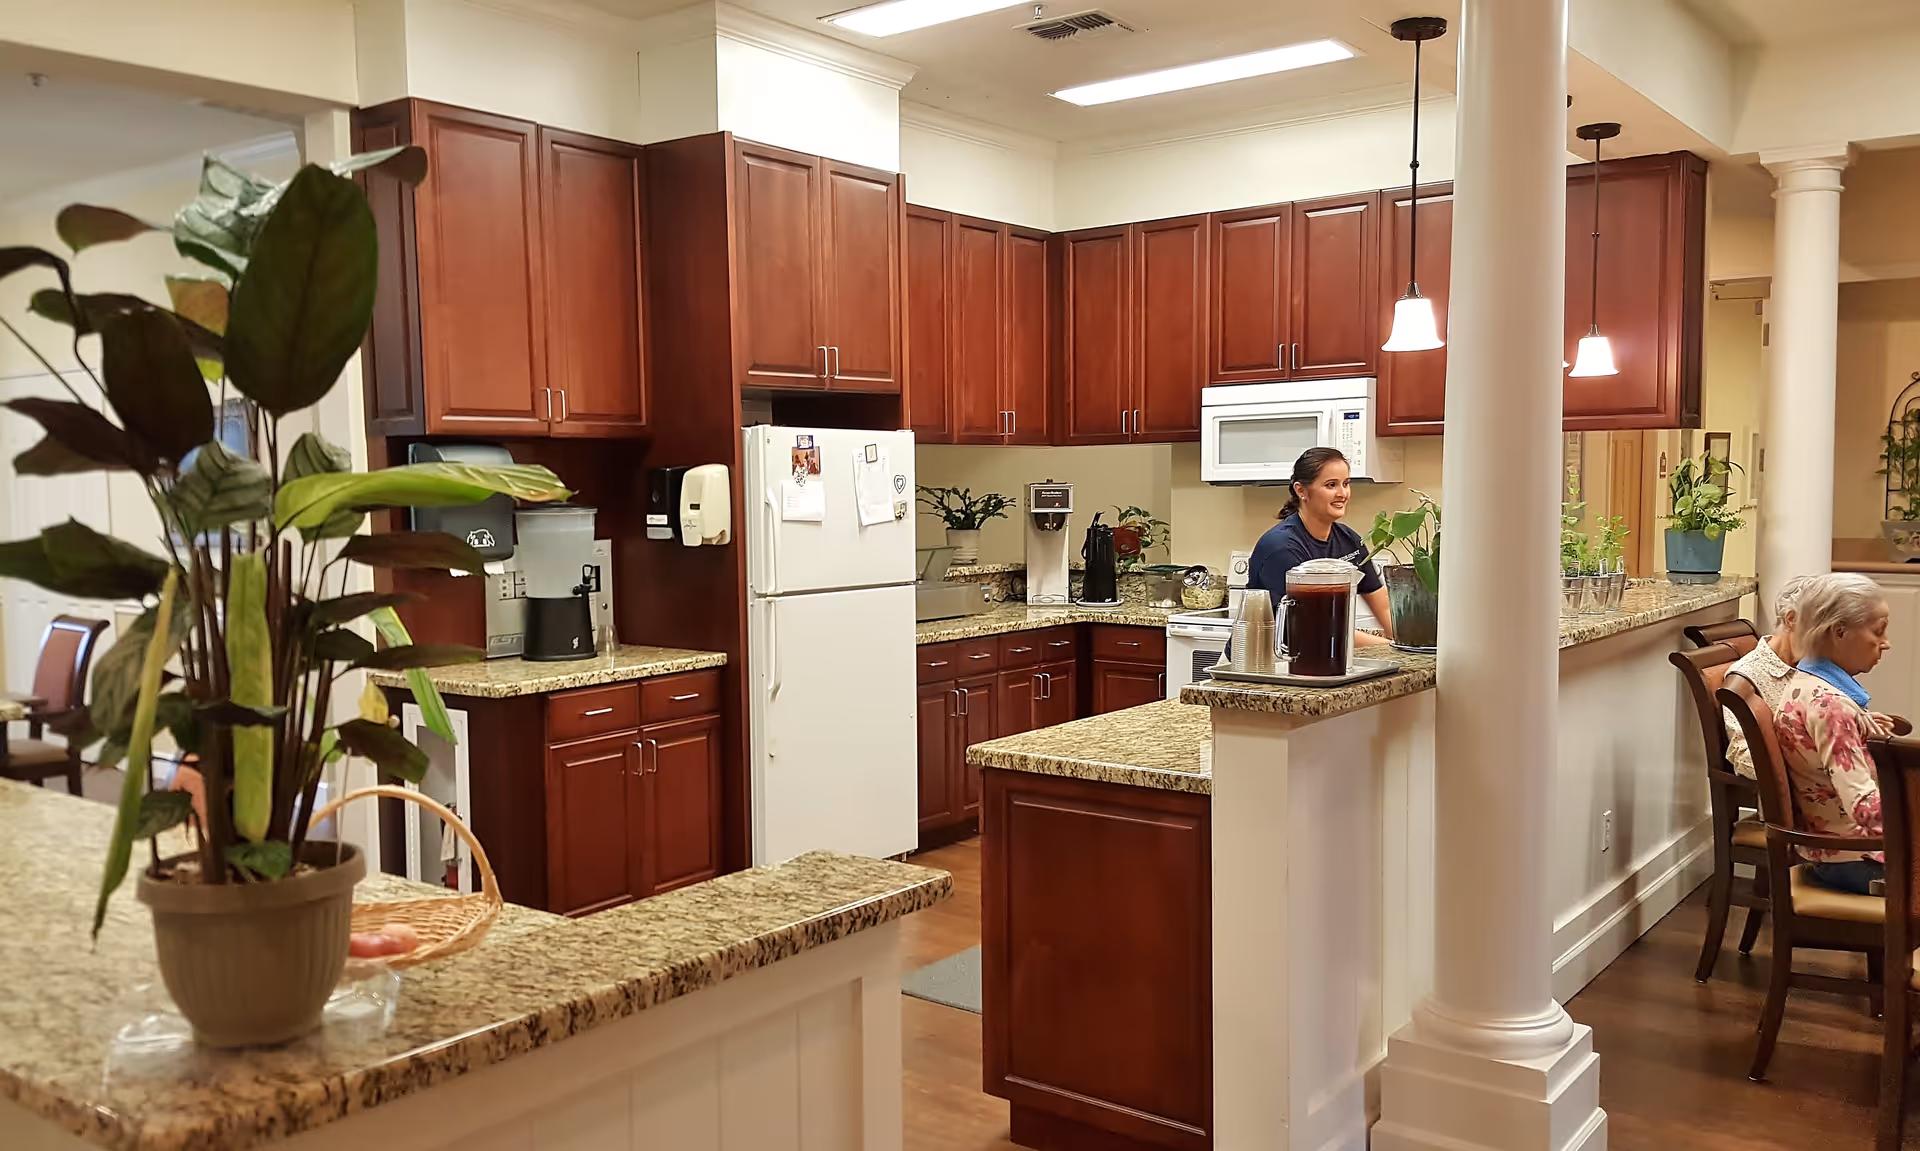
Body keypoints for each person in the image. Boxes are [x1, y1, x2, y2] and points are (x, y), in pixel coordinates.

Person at [1774, 573, 1893, 894]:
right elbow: (1864, 808)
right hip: (1856, 860)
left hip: (1831, 855)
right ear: (1839, 632)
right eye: (1878, 631)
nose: (1886, 642)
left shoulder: (1801, 686)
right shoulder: (1831, 706)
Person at [1246, 447, 1393, 649]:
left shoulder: (1348, 540)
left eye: (1346, 483)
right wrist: (1389, 648)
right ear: (1301, 490)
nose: (1343, 493)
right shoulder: (1281, 547)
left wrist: (1409, 647)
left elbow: (1383, 606)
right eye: (1331, 485)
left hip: (1316, 658)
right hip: (1265, 661)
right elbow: (1318, 627)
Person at [1722, 574, 1815, 779]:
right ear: (1792, 619)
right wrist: (1807, 763)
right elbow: (1743, 756)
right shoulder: (1748, 676)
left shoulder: (1816, 664)